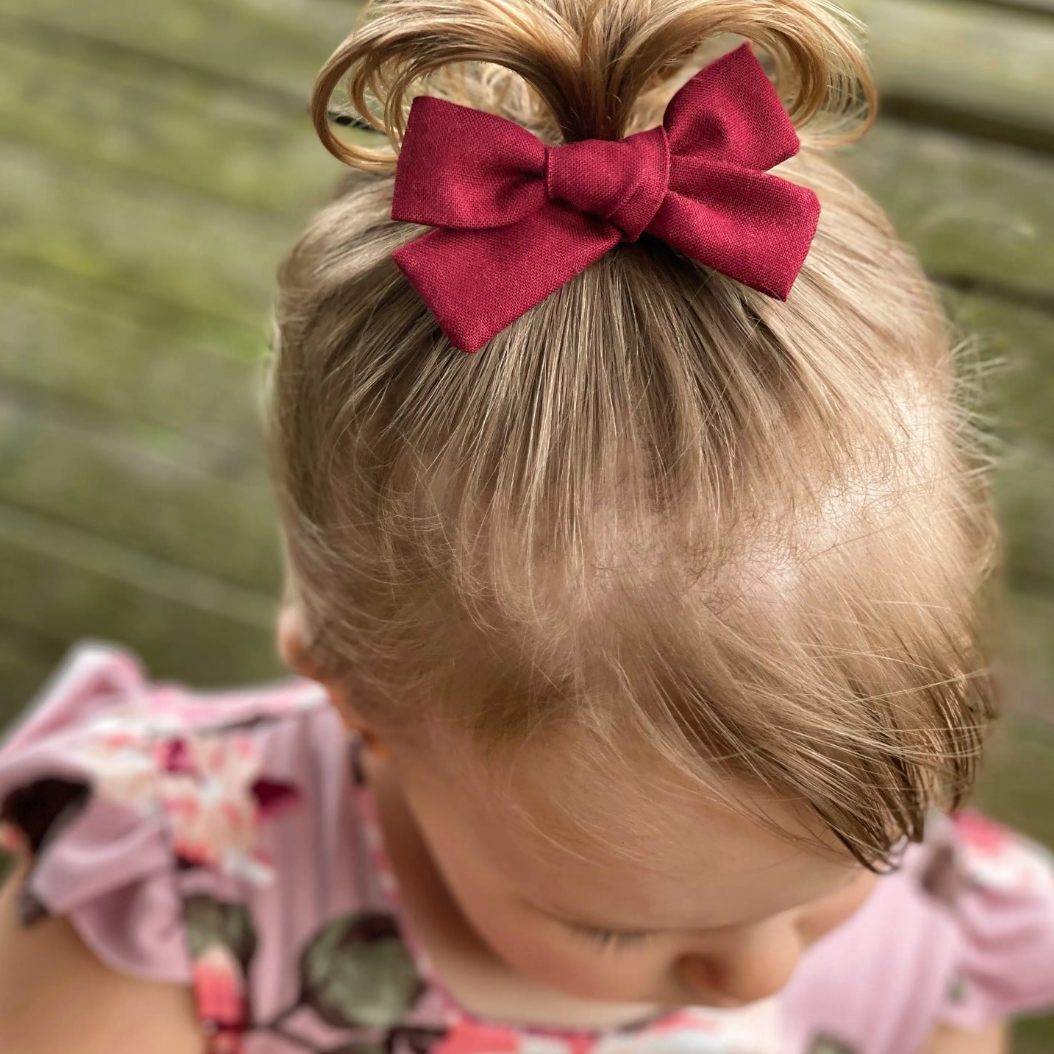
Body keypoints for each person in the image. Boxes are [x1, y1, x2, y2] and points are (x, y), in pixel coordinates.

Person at [0, 0, 1053, 1051]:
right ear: (354, 685)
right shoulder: (155, 939)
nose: (762, 972)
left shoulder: (930, 918)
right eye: (609, 929)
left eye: (869, 855)